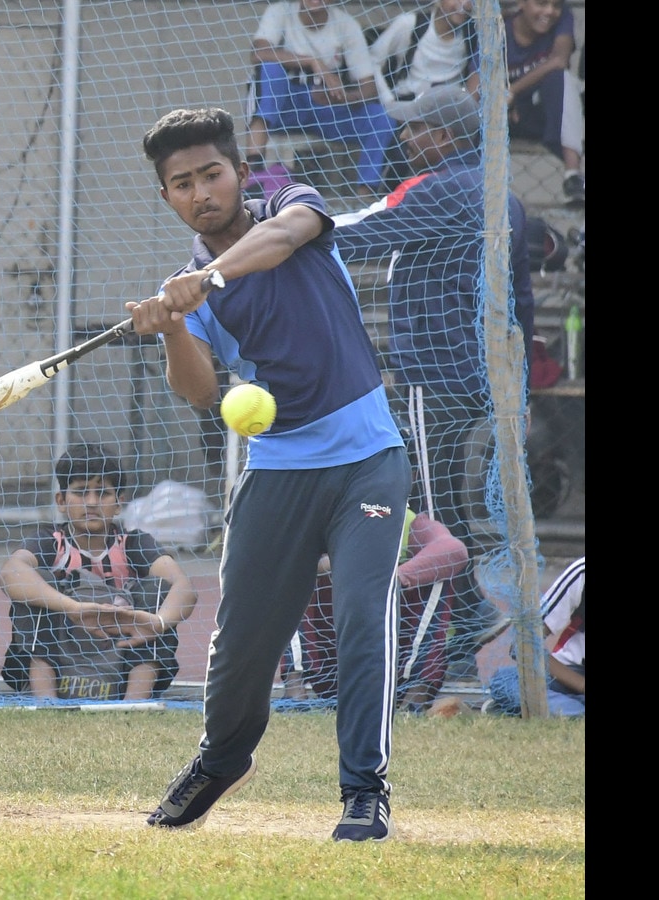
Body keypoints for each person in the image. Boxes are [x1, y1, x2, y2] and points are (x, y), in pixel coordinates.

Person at [130, 107, 410, 841]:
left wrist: (205, 278)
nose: (201, 193)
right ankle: (221, 760)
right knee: (242, 644)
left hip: (367, 462)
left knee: (361, 618)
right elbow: (198, 392)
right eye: (182, 184)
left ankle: (364, 791)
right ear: (166, 197)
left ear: (242, 173)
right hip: (278, 470)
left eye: (212, 174)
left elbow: (283, 239)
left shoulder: (292, 205)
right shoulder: (186, 290)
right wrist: (172, 325)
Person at [331, 86, 535, 689]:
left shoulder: (436, 187)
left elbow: (361, 234)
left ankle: (459, 636)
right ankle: (470, 623)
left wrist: (277, 227)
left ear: (442, 136)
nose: (403, 136)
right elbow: (522, 295)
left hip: (436, 371)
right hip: (489, 375)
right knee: (449, 501)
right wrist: (520, 386)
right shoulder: (501, 192)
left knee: (434, 508)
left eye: (414, 127)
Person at [0, 444, 199, 702]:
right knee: (36, 585)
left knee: (157, 588)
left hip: (120, 658)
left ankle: (134, 704)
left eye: (103, 493)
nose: (92, 502)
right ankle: (45, 701)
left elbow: (183, 587)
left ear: (118, 503)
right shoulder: (51, 540)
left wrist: (156, 623)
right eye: (81, 492)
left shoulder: (133, 543)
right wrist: (74, 608)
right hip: (61, 652)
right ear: (61, 501)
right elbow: (10, 573)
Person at [286, 506, 470, 713]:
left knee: (437, 574)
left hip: (397, 671)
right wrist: (337, 563)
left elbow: (454, 550)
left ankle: (415, 697)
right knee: (291, 574)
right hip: (331, 666)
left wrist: (397, 578)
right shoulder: (325, 514)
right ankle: (295, 692)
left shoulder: (407, 520)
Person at [244, 0, 399, 200]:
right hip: (285, 107)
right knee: (269, 68)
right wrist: (313, 62)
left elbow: (369, 88)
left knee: (381, 117)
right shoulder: (280, 11)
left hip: (326, 107)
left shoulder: (346, 24)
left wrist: (342, 98)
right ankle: (254, 169)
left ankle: (366, 196)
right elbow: (258, 53)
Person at [366, 0, 479, 184]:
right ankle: (386, 188)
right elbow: (373, 60)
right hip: (410, 102)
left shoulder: (472, 33)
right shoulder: (411, 24)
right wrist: (388, 100)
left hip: (446, 110)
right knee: (400, 145)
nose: (464, 4)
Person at [505, 0, 585, 206]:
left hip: (544, 111)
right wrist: (503, 99)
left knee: (561, 78)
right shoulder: (502, 28)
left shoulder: (563, 18)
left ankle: (573, 176)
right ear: (521, 3)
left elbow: (559, 60)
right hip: (505, 114)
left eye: (556, 5)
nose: (549, 11)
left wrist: (512, 90)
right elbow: (477, 83)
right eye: (541, 3)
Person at [484, 556, 584, 717]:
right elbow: (523, 645)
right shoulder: (581, 574)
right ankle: (573, 711)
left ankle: (563, 710)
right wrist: (582, 685)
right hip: (573, 674)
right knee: (506, 681)